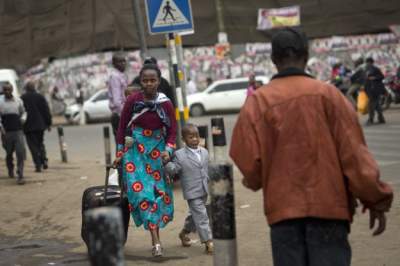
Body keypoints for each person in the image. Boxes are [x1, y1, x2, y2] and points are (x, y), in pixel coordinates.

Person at [229, 28, 393, 266]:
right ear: (306, 56)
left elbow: (249, 164)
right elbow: (356, 157)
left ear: (274, 60)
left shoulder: (258, 102)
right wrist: (375, 199)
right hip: (329, 212)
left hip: (283, 215)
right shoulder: (330, 96)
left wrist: (256, 180)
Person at [113, 64, 177, 257]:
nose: (149, 84)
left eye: (153, 80)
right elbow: (122, 127)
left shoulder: (165, 103)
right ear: (140, 82)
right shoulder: (133, 100)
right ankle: (156, 241)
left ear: (158, 81)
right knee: (143, 195)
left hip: (157, 151)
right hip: (135, 152)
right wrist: (119, 153)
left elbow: (173, 130)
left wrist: (168, 149)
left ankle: (155, 238)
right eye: (145, 80)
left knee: (158, 194)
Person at [165, 123, 213, 254]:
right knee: (202, 216)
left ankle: (184, 233)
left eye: (196, 136)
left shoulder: (204, 151)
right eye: (191, 137)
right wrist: (166, 162)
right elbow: (173, 170)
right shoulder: (179, 155)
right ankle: (208, 242)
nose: (195, 139)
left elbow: (207, 169)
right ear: (184, 139)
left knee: (196, 215)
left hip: (205, 189)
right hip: (192, 192)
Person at [21, 82, 52, 172]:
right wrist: (49, 124)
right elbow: (46, 111)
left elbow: (20, 112)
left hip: (28, 126)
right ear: (34, 88)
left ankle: (38, 165)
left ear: (26, 88)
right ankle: (44, 160)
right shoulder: (40, 97)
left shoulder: (22, 98)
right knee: (40, 143)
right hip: (40, 125)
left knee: (33, 146)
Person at [0, 83, 27, 185]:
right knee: (9, 153)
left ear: (12, 90)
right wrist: (1, 128)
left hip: (18, 130)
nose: (7, 92)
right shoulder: (0, 102)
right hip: (6, 131)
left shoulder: (18, 101)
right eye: (5, 90)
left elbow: (24, 112)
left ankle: (20, 175)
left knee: (20, 153)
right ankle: (10, 169)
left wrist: (23, 119)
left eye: (9, 90)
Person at [108, 52, 128, 139]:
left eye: (124, 61)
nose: (123, 64)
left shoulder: (122, 75)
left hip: (122, 114)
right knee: (121, 145)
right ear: (114, 64)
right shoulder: (115, 77)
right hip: (119, 115)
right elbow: (117, 101)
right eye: (120, 62)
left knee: (126, 144)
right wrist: (124, 115)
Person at [365, 57, 386, 125]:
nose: (367, 64)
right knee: (377, 105)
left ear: (371, 62)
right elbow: (366, 79)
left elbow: (382, 76)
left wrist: (374, 78)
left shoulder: (375, 69)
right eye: (367, 62)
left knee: (370, 105)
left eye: (368, 62)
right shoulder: (367, 69)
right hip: (370, 89)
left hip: (376, 89)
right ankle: (381, 118)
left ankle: (370, 119)